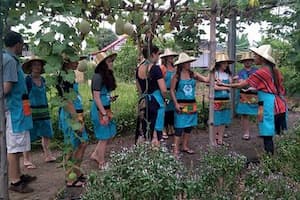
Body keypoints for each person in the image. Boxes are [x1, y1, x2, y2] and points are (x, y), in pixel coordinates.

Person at [219, 45, 287, 154]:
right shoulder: (274, 70)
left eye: (255, 56)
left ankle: (269, 158)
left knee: (266, 130)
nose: (254, 58)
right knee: (277, 130)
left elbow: (242, 84)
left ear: (262, 58)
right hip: (278, 102)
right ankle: (280, 156)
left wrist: (224, 84)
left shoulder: (261, 72)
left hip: (267, 103)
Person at [3, 31, 36, 193]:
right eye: (22, 44)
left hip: (20, 108)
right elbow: (7, 87)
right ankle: (15, 181)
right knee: (14, 146)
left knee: (19, 143)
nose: (23, 47)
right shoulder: (9, 60)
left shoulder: (10, 59)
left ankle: (18, 174)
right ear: (17, 44)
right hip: (15, 109)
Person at [57, 53, 88, 187]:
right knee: (72, 146)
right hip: (71, 116)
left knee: (82, 143)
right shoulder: (64, 78)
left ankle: (77, 172)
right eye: (74, 60)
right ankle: (70, 177)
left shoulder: (71, 75)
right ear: (66, 62)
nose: (77, 63)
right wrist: (76, 120)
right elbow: (67, 101)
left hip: (76, 114)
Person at [170, 52, 208, 158]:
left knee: (188, 127)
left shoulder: (192, 74)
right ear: (182, 64)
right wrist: (176, 103)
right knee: (179, 127)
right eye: (186, 62)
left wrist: (213, 72)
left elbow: (205, 79)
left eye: (189, 62)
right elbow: (172, 90)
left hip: (191, 104)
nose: (189, 64)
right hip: (181, 103)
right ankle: (176, 149)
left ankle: (185, 146)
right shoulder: (176, 76)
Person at [22, 56, 56, 169]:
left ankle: (48, 155)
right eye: (35, 65)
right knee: (28, 135)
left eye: (39, 65)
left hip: (44, 110)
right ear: (31, 67)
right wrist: (26, 111)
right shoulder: (27, 80)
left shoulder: (43, 80)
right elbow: (24, 96)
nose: (37, 67)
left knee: (46, 133)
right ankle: (27, 159)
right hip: (31, 111)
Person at [90, 52, 118, 169]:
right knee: (104, 137)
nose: (112, 63)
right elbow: (96, 97)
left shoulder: (105, 76)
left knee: (107, 135)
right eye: (109, 61)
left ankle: (96, 154)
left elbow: (102, 94)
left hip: (105, 109)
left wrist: (109, 98)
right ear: (103, 64)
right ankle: (101, 162)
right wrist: (103, 113)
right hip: (100, 110)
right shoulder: (97, 77)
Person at [135, 45, 167, 147]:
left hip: (144, 102)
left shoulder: (138, 69)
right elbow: (163, 90)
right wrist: (167, 99)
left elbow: (139, 90)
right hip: (156, 102)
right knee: (156, 131)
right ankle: (155, 150)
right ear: (153, 54)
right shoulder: (156, 69)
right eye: (158, 54)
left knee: (146, 129)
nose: (158, 57)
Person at [235, 52, 258, 140]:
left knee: (259, 113)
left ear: (252, 61)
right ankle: (246, 132)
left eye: (249, 60)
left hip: (255, 95)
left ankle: (261, 131)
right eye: (245, 61)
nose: (247, 62)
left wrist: (245, 83)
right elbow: (241, 83)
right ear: (243, 62)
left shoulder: (257, 70)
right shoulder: (240, 72)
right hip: (244, 95)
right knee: (244, 114)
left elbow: (258, 82)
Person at [213, 53, 234, 146]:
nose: (226, 65)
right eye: (224, 63)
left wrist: (222, 85)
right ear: (219, 63)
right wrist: (225, 87)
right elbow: (213, 87)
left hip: (226, 100)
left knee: (224, 120)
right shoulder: (214, 74)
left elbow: (231, 86)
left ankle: (220, 139)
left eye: (227, 63)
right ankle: (213, 139)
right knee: (216, 120)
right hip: (216, 100)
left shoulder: (227, 74)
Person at [160, 49, 178, 139]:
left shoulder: (175, 68)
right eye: (169, 56)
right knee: (164, 110)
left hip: (173, 91)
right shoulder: (162, 68)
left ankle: (171, 127)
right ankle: (163, 129)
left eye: (172, 56)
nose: (171, 58)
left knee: (172, 110)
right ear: (166, 58)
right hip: (165, 91)